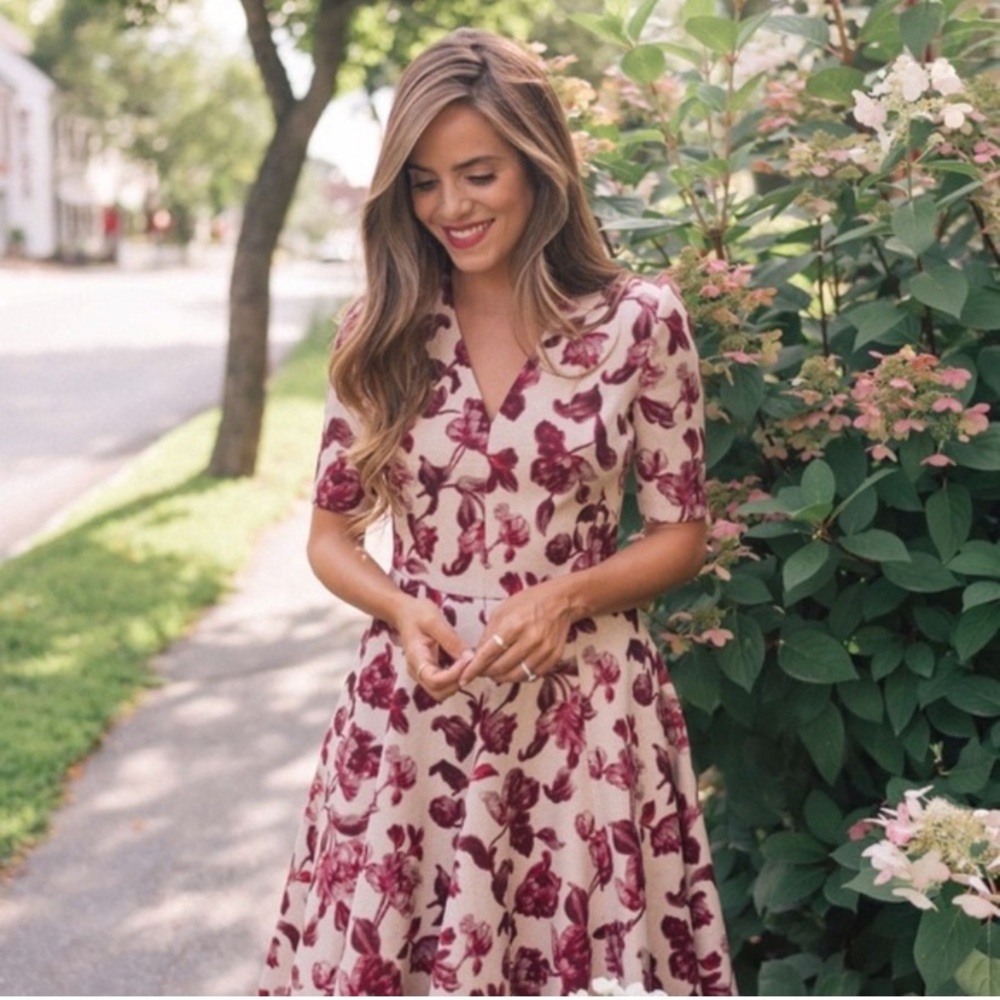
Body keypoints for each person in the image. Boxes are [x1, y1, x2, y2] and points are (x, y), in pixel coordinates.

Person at [259, 28, 734, 997]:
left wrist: (567, 595)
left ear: (538, 164)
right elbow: (330, 536)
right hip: (416, 716)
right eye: (424, 183)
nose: (450, 207)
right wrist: (398, 608)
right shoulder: (380, 330)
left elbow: (680, 531)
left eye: (477, 173)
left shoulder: (639, 321)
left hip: (587, 714)